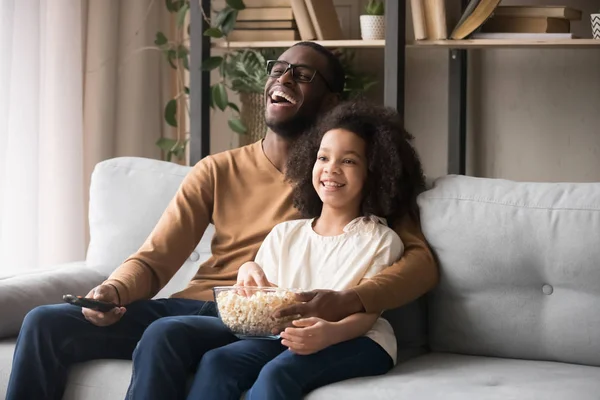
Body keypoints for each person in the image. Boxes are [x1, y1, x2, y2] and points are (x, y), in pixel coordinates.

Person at [6, 42, 438, 400]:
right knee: (44, 322)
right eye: (279, 68)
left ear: (331, 102)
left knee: (169, 335)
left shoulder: (353, 183)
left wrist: (345, 302)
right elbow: (155, 259)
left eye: (302, 75)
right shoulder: (217, 169)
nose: (283, 79)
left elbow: (419, 263)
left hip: (263, 319)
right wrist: (113, 291)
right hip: (201, 303)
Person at [187, 100, 426, 400]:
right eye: (323, 157)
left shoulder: (380, 239)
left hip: (359, 340)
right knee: (217, 361)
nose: (331, 169)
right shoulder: (285, 233)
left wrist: (329, 333)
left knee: (278, 373)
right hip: (287, 333)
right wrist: (248, 270)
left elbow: (367, 313)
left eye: (348, 161)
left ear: (375, 172)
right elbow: (267, 299)